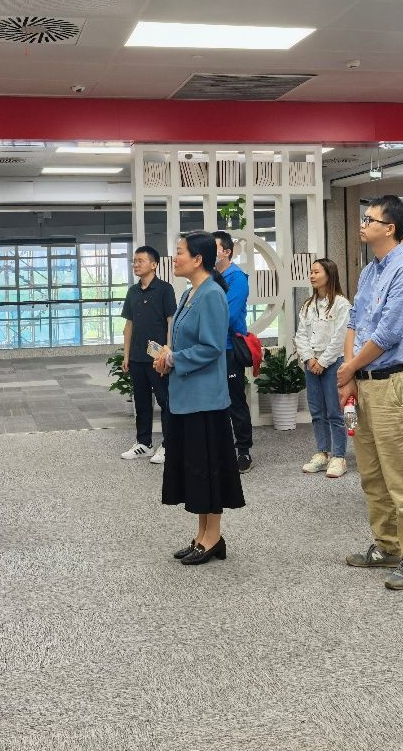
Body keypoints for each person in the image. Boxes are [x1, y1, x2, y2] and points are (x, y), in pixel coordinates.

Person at [337, 195, 403, 592]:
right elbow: (354, 322)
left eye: (370, 219)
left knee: (401, 476)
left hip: (393, 383)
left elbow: (388, 333)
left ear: (390, 228)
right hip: (363, 381)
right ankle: (387, 545)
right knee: (372, 474)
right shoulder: (370, 270)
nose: (363, 224)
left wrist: (349, 368)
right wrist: (349, 373)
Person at [155, 232, 244, 565]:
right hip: (186, 395)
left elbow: (211, 347)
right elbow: (183, 340)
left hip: (205, 400)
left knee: (208, 470)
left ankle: (214, 536)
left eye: (179, 252)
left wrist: (174, 358)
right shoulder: (189, 292)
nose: (174, 258)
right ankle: (202, 534)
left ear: (197, 259)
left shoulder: (212, 294)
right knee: (195, 469)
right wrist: (167, 354)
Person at [119, 245, 177, 464]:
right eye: (134, 261)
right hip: (136, 358)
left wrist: (168, 353)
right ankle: (143, 443)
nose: (135, 264)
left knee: (165, 401)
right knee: (142, 403)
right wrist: (126, 355)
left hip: (158, 359)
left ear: (154, 265)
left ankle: (169, 445)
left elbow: (171, 322)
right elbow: (129, 325)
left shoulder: (165, 289)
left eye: (140, 261)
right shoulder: (132, 291)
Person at [295, 258, 352, 479]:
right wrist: (310, 359)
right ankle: (322, 452)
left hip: (333, 362)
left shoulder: (341, 304)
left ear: (329, 274)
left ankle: (339, 456)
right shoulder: (307, 305)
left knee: (335, 412)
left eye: (316, 272)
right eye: (311, 272)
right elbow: (300, 335)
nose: (312, 275)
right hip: (311, 364)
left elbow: (340, 338)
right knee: (317, 411)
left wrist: (322, 361)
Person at [213, 230, 253, 473]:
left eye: (214, 248)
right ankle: (220, 448)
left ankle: (243, 450)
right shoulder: (210, 277)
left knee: (235, 401)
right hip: (211, 348)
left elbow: (226, 314)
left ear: (226, 252)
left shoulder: (237, 278)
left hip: (228, 348)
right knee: (214, 401)